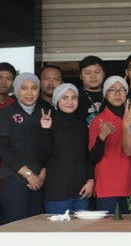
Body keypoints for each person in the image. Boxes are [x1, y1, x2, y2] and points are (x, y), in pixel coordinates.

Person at [0, 73, 47, 224]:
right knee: (16, 226)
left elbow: (50, 146)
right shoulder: (6, 113)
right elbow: (4, 148)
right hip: (14, 179)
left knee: (38, 227)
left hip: (40, 181)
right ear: (17, 89)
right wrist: (29, 175)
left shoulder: (45, 112)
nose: (29, 93)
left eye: (34, 88)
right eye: (24, 88)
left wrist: (42, 174)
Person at [40, 83, 94, 214]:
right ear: (56, 101)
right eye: (65, 98)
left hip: (82, 190)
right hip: (58, 190)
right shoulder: (49, 122)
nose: (70, 101)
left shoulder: (82, 126)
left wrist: (90, 180)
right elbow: (43, 156)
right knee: (59, 227)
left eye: (74, 98)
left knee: (82, 227)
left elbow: (88, 157)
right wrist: (45, 130)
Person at [89, 76, 131, 213]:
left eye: (121, 90)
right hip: (107, 185)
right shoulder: (99, 120)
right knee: (107, 226)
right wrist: (101, 137)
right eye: (112, 90)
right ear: (105, 94)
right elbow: (93, 157)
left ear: (126, 94)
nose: (117, 93)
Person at [75, 55, 106, 125]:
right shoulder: (74, 96)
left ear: (103, 74)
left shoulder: (111, 94)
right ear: (81, 76)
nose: (93, 76)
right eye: (87, 73)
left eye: (97, 72)